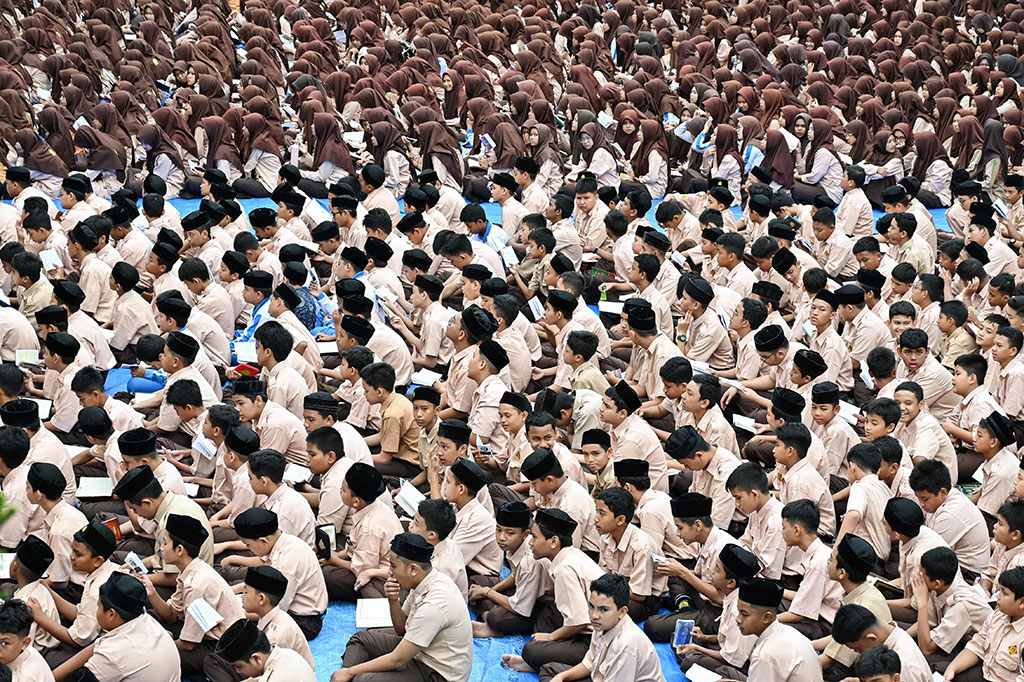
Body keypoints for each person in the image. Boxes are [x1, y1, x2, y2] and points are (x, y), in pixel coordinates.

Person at [334, 533, 472, 682]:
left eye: (393, 566)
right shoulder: (424, 580)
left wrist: (350, 671)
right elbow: (402, 630)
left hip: (437, 672)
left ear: (413, 569)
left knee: (363, 679)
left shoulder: (434, 605)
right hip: (420, 653)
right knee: (360, 639)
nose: (389, 573)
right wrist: (393, 600)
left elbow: (398, 660)